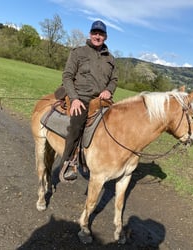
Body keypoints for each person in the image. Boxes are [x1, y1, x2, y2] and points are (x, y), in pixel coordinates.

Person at [59, 20, 118, 181]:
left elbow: (114, 80)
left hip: (101, 100)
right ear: (90, 34)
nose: (97, 36)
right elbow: (67, 76)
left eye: (100, 34)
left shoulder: (111, 59)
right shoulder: (78, 53)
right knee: (77, 126)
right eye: (94, 33)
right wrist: (74, 99)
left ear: (105, 37)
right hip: (81, 98)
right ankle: (68, 163)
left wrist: (108, 90)